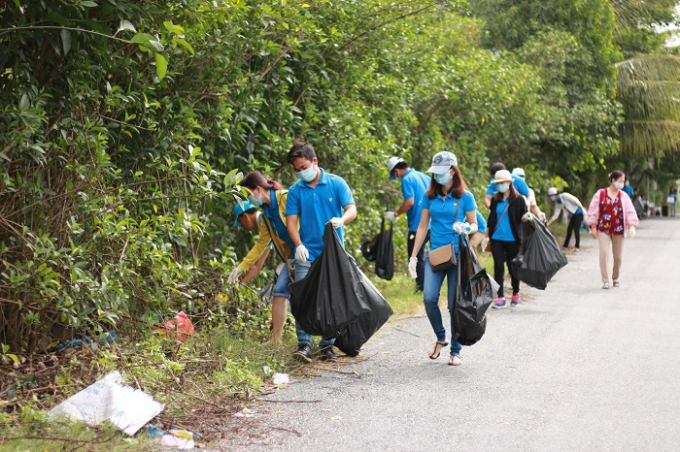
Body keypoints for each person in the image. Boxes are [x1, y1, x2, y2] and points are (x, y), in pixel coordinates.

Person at [285, 140, 357, 363]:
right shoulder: (296, 191)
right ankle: (304, 344)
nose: (301, 172)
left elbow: (351, 209)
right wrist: (298, 245)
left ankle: (327, 345)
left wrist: (341, 220)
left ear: (314, 161)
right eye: (297, 170)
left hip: (333, 252)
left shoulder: (336, 183)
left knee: (332, 299)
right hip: (307, 252)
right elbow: (291, 223)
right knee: (302, 296)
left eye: (304, 167)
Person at [409, 151, 478, 367]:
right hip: (435, 255)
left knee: (453, 305)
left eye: (442, 172)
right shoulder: (428, 196)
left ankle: (456, 351)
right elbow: (422, 227)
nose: (438, 177)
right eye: (435, 173)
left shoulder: (465, 196)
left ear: (452, 171)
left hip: (458, 255)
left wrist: (466, 228)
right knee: (429, 298)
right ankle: (441, 337)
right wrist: (413, 257)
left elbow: (475, 224)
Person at [229, 171, 297, 344]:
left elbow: (305, 220)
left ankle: (310, 339)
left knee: (303, 294)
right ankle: (276, 338)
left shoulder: (285, 198)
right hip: (291, 257)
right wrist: (240, 268)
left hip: (305, 251)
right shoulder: (266, 215)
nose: (250, 199)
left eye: (249, 194)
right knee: (280, 292)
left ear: (258, 189)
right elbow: (261, 244)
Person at [586, 170, 639, 289]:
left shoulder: (623, 196)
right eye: (620, 181)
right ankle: (605, 280)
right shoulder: (600, 194)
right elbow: (593, 211)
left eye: (623, 181)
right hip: (603, 229)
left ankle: (615, 277)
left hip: (618, 230)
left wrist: (631, 226)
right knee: (604, 253)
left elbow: (630, 211)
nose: (622, 184)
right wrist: (593, 227)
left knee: (618, 257)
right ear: (613, 180)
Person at [384, 157, 431, 291]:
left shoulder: (407, 180)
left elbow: (409, 202)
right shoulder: (422, 175)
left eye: (395, 175)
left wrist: (395, 214)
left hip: (417, 225)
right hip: (431, 222)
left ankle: (422, 287)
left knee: (415, 256)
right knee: (428, 254)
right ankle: (429, 283)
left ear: (397, 171)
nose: (396, 177)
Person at [487, 170, 528, 309]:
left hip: (512, 239)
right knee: (498, 267)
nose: (500, 186)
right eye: (498, 183)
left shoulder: (519, 199)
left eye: (502, 183)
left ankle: (516, 293)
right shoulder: (495, 199)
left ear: (510, 183)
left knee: (513, 267)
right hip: (496, 238)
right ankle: (500, 297)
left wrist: (526, 218)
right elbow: (491, 218)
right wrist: (487, 236)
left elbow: (524, 216)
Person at [229, 201, 271, 285]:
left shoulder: (265, 220)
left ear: (245, 216)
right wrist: (242, 284)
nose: (242, 225)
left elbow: (259, 247)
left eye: (241, 222)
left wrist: (241, 268)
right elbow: (257, 266)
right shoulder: (263, 225)